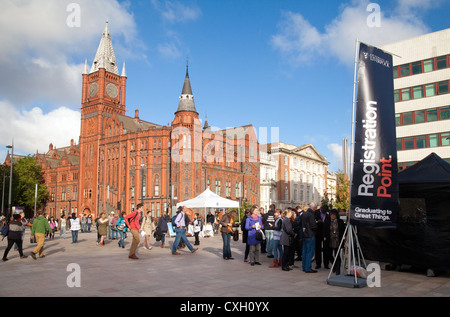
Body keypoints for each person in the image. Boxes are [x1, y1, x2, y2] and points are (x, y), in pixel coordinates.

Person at [324, 209, 345, 275]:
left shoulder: (340, 222)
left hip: (337, 240)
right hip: (330, 240)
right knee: (329, 254)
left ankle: (338, 270)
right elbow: (324, 230)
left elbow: (343, 230)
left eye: (334, 215)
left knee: (337, 255)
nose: (332, 216)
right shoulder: (327, 221)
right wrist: (324, 236)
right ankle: (334, 265)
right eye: (331, 215)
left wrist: (344, 237)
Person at [300, 202, 318, 273]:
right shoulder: (311, 215)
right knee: (309, 252)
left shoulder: (303, 214)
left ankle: (304, 266)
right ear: (314, 208)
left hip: (304, 234)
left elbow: (300, 224)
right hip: (310, 235)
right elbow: (313, 226)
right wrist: (317, 226)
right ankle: (308, 267)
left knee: (304, 251)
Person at [314, 204, 330, 269]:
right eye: (323, 211)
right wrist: (318, 222)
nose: (324, 212)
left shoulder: (328, 214)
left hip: (325, 233)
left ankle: (326, 264)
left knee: (326, 249)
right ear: (321, 209)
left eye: (325, 211)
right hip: (318, 232)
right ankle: (318, 263)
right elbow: (313, 222)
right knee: (318, 248)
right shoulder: (316, 212)